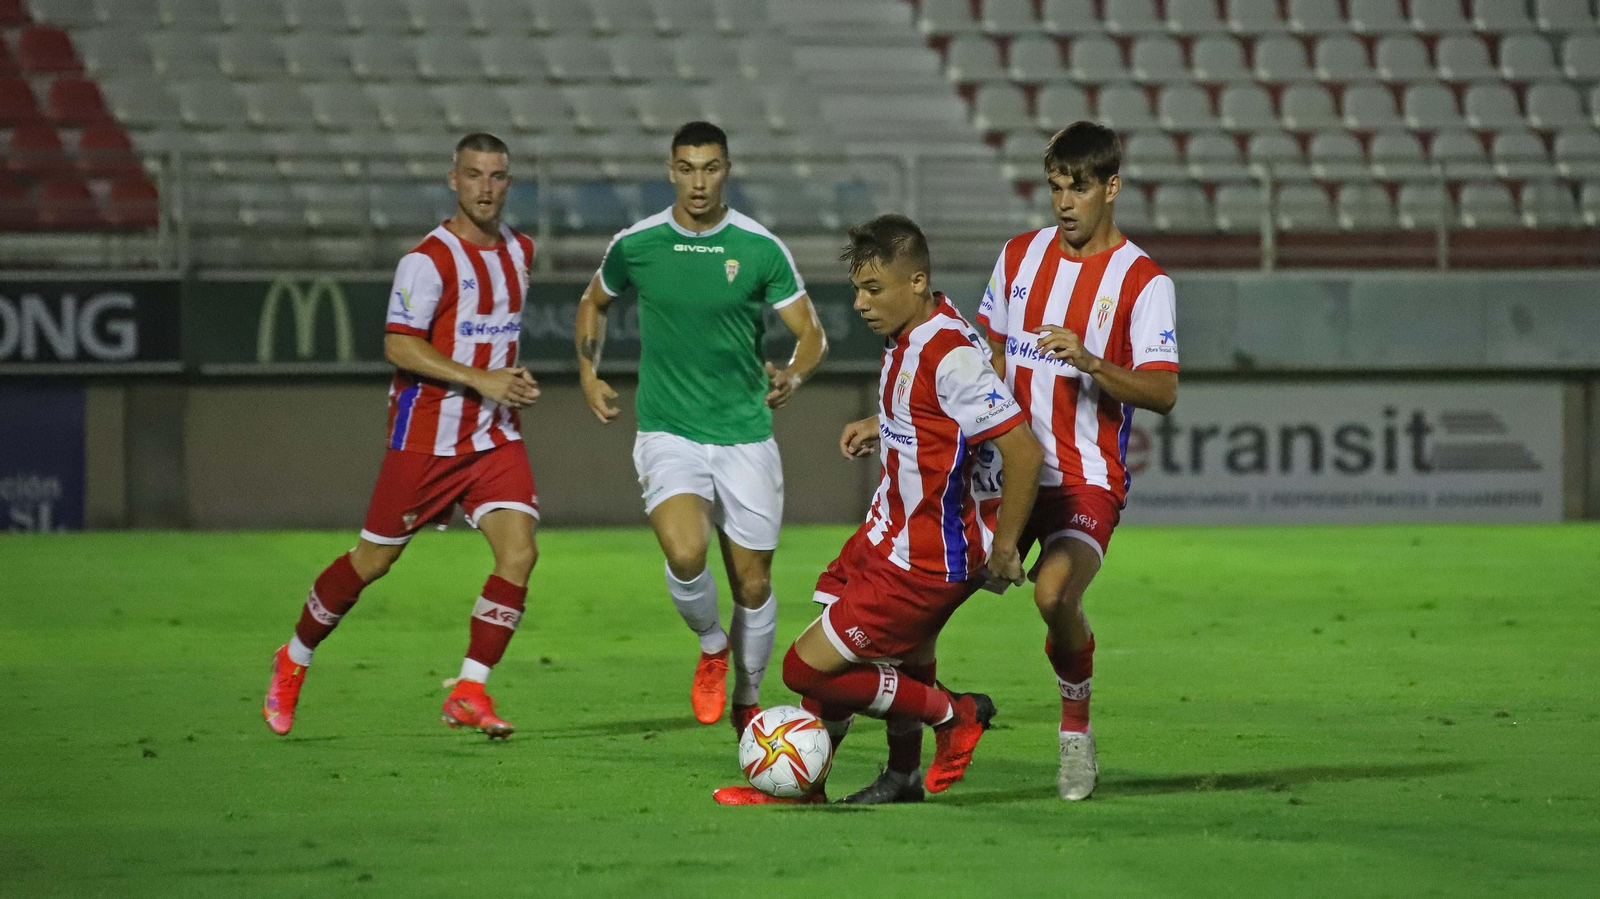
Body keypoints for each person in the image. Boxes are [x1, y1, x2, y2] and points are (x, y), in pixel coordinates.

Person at [712, 214, 1043, 806]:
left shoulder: (950, 353)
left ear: (917, 281)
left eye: (873, 289)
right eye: (857, 289)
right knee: (888, 656)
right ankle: (889, 778)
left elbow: (1023, 451)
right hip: (886, 532)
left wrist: (1005, 545)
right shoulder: (913, 331)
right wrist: (882, 424)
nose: (861, 304)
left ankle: (954, 714)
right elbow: (935, 416)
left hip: (925, 555)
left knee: (807, 670)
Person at [262, 132, 543, 740]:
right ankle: (294, 658)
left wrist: (509, 379)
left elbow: (493, 337)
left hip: (493, 437)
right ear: (453, 179)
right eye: (474, 175)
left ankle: (469, 690)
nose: (486, 188)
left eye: (497, 176)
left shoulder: (521, 251)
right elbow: (398, 344)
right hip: (426, 440)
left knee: (519, 553)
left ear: (508, 183)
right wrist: (482, 378)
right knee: (372, 562)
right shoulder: (427, 260)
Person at [574, 121, 828, 738]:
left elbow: (812, 334)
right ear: (670, 171)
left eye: (710, 168)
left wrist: (793, 376)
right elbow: (593, 302)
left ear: (726, 171)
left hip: (745, 434)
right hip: (669, 431)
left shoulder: (760, 248)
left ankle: (747, 699)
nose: (698, 182)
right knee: (686, 553)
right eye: (686, 168)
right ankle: (713, 645)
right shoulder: (636, 244)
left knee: (753, 583)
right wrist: (588, 374)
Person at [976, 122, 1180, 800]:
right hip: (1007, 471)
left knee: (1054, 594)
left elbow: (1163, 391)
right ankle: (921, 728)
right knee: (930, 585)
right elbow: (990, 350)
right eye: (1056, 187)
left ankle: (1074, 733)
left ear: (1111, 188)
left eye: (1080, 188)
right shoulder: (1018, 256)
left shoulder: (1143, 281)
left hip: (1085, 478)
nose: (1065, 203)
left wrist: (1090, 361)